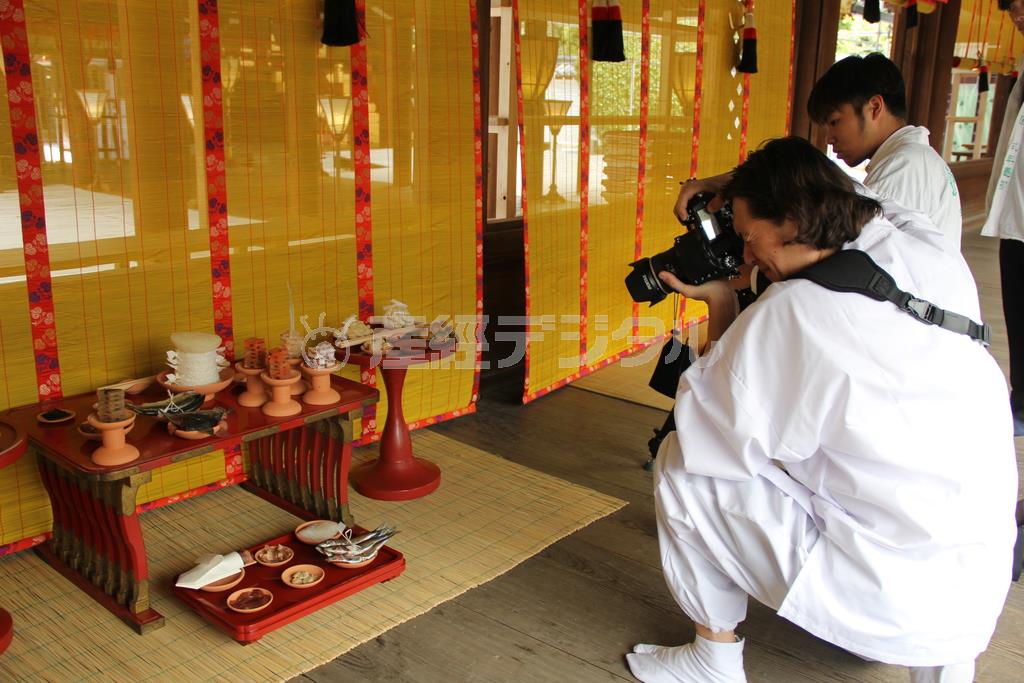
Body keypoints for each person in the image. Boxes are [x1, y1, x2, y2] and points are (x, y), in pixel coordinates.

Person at [627, 137, 1017, 683]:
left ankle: (711, 661)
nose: (745, 256)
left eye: (747, 236)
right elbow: (853, 191)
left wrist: (721, 300)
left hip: (882, 596)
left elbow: (704, 435)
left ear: (791, 220)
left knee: (680, 462)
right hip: (978, 586)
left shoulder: (793, 314)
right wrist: (730, 185)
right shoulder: (924, 245)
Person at [678, 55, 961, 251]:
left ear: (874, 107)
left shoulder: (905, 166)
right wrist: (723, 182)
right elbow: (815, 184)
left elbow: (851, 246)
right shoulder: (914, 158)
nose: (830, 137)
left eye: (835, 121)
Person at [986, 0, 1024, 436]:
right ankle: (1022, 402)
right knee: (1017, 309)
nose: (1018, 15)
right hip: (1015, 215)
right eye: (1012, 7)